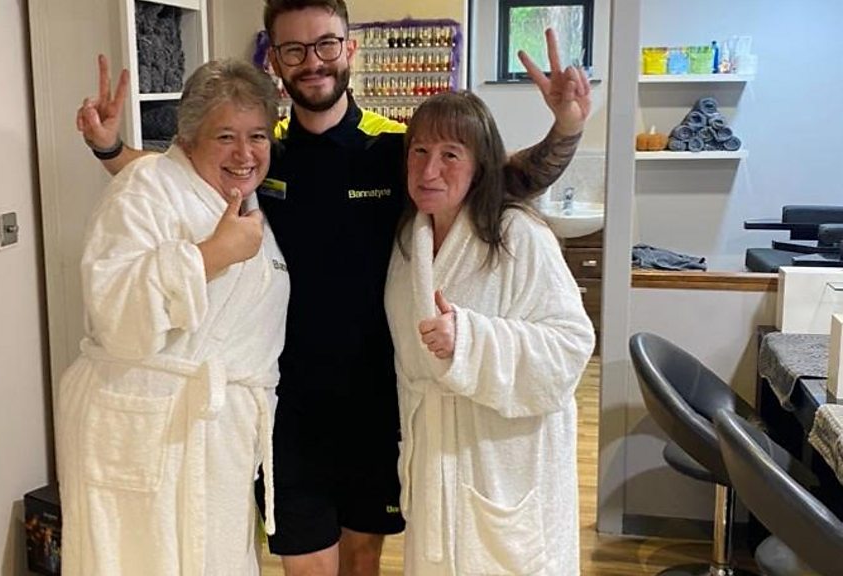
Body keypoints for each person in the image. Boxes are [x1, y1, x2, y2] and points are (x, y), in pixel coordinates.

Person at [77, 2, 590, 574]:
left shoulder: (394, 150)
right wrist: (109, 148)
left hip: (375, 400)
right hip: (288, 402)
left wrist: (566, 127)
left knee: (361, 560)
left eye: (325, 44)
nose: (312, 61)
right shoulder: (264, 153)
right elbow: (186, 170)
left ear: (349, 49)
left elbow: (494, 177)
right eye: (294, 49)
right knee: (308, 566)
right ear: (276, 60)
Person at [56, 59, 289, 576]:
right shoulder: (143, 189)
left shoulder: (240, 200)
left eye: (257, 136)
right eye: (225, 136)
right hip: (147, 433)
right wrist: (211, 255)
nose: (245, 153)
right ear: (187, 139)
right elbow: (115, 308)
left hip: (210, 439)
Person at [384, 90, 595, 575]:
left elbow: (571, 346)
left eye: (450, 155)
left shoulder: (519, 235)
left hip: (503, 463)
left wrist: (470, 341)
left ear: (480, 166)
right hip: (435, 457)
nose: (429, 169)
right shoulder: (409, 239)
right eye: (420, 150)